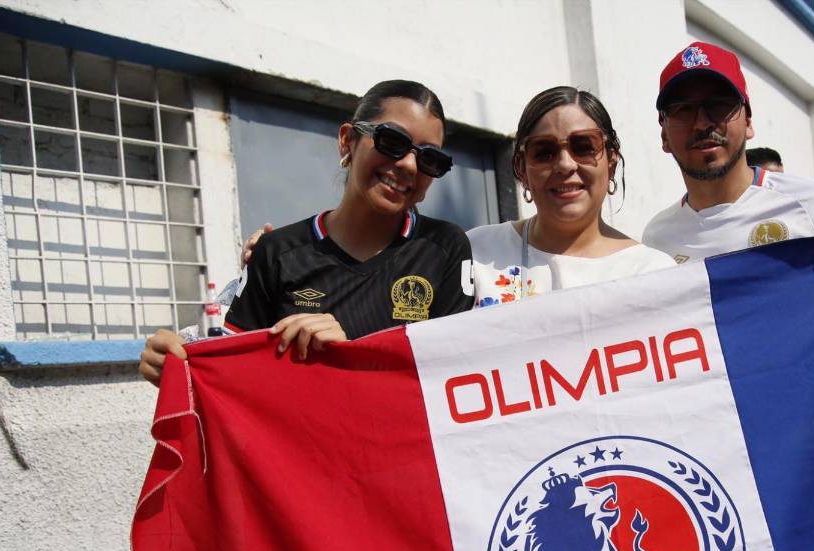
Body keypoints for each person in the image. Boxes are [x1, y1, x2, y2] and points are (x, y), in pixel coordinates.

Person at [138, 80, 473, 384]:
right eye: (392, 141)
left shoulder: (445, 248)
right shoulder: (276, 253)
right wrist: (179, 367)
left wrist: (349, 355)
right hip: (303, 451)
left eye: (431, 159)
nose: (409, 165)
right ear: (347, 141)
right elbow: (233, 376)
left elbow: (451, 378)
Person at [642, 43, 814, 329]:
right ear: (663, 134)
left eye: (719, 105)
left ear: (748, 121)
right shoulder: (655, 241)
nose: (701, 123)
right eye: (682, 110)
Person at [465, 87, 675, 305]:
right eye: (544, 152)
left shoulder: (651, 272)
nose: (565, 165)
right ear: (521, 168)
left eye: (584, 147)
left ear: (611, 162)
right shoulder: (476, 254)